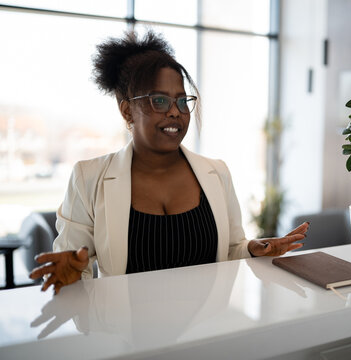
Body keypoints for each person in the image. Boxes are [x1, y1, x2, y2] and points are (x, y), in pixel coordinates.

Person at [29, 31, 309, 294]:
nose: (175, 113)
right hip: (130, 339)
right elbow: (66, 269)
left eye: (182, 101)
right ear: (127, 109)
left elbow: (231, 249)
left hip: (205, 332)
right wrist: (72, 279)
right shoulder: (88, 178)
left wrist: (252, 249)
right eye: (159, 101)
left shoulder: (216, 172)